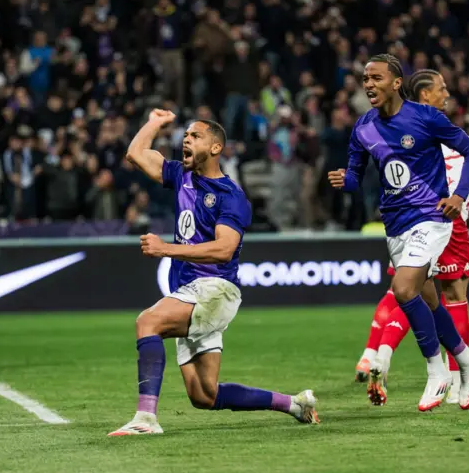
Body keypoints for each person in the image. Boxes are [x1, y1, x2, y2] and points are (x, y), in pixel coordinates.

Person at [108, 108, 319, 436]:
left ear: (216, 147)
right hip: (191, 292)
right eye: (185, 135)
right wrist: (155, 123)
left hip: (215, 289)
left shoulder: (230, 196)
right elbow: (136, 153)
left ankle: (145, 419)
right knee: (204, 395)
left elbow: (224, 249)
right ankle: (294, 404)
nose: (186, 140)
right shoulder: (181, 175)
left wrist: (166, 249)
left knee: (147, 322)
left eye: (195, 136)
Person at [329, 56, 469, 412]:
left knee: (402, 289)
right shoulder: (363, 127)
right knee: (429, 301)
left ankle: (437, 371)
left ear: (397, 83)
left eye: (376, 78)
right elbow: (355, 177)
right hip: (396, 224)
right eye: (365, 78)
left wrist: (459, 195)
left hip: (431, 217)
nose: (368, 84)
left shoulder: (426, 117)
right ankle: (466, 358)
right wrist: (344, 179)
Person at [353, 70, 469, 406]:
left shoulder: (432, 128)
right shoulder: (429, 126)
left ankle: (417, 366)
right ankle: (461, 366)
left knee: (403, 290)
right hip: (424, 218)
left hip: (427, 216)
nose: (447, 95)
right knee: (434, 295)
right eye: (442, 89)